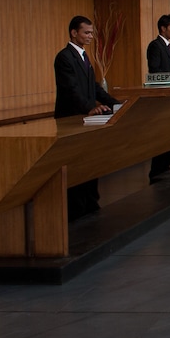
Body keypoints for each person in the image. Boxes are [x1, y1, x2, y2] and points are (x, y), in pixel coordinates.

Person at [54, 15, 120, 220]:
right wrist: (89, 107)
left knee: (90, 161)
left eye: (92, 33)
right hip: (72, 118)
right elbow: (70, 89)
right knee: (76, 166)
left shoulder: (84, 56)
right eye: (87, 33)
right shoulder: (64, 57)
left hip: (88, 120)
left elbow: (94, 88)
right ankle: (77, 209)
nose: (91, 36)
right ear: (74, 33)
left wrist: (115, 103)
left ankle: (91, 202)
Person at [146, 14, 170, 182]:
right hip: (162, 96)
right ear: (163, 29)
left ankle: (166, 165)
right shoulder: (155, 46)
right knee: (163, 134)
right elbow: (154, 71)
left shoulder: (167, 46)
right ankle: (158, 170)